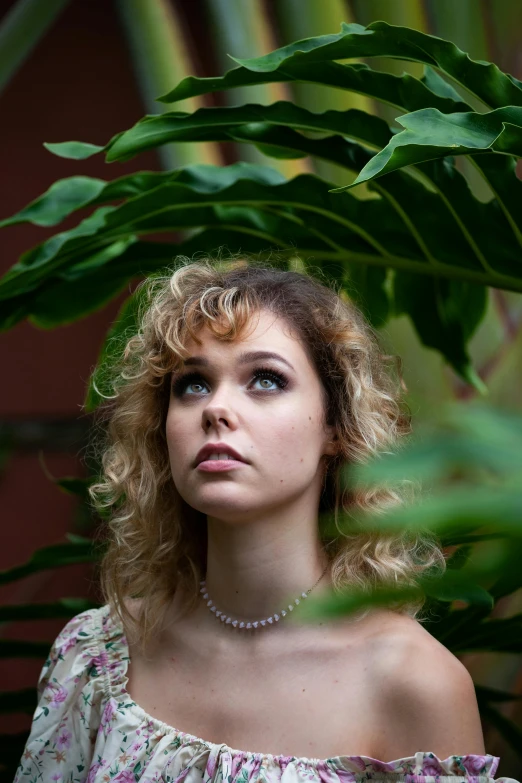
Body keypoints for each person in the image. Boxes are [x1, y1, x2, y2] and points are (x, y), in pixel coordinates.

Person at [14, 258, 514, 783]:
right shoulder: (97, 658)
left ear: (335, 428)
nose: (217, 408)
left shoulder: (413, 682)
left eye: (267, 380)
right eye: (193, 384)